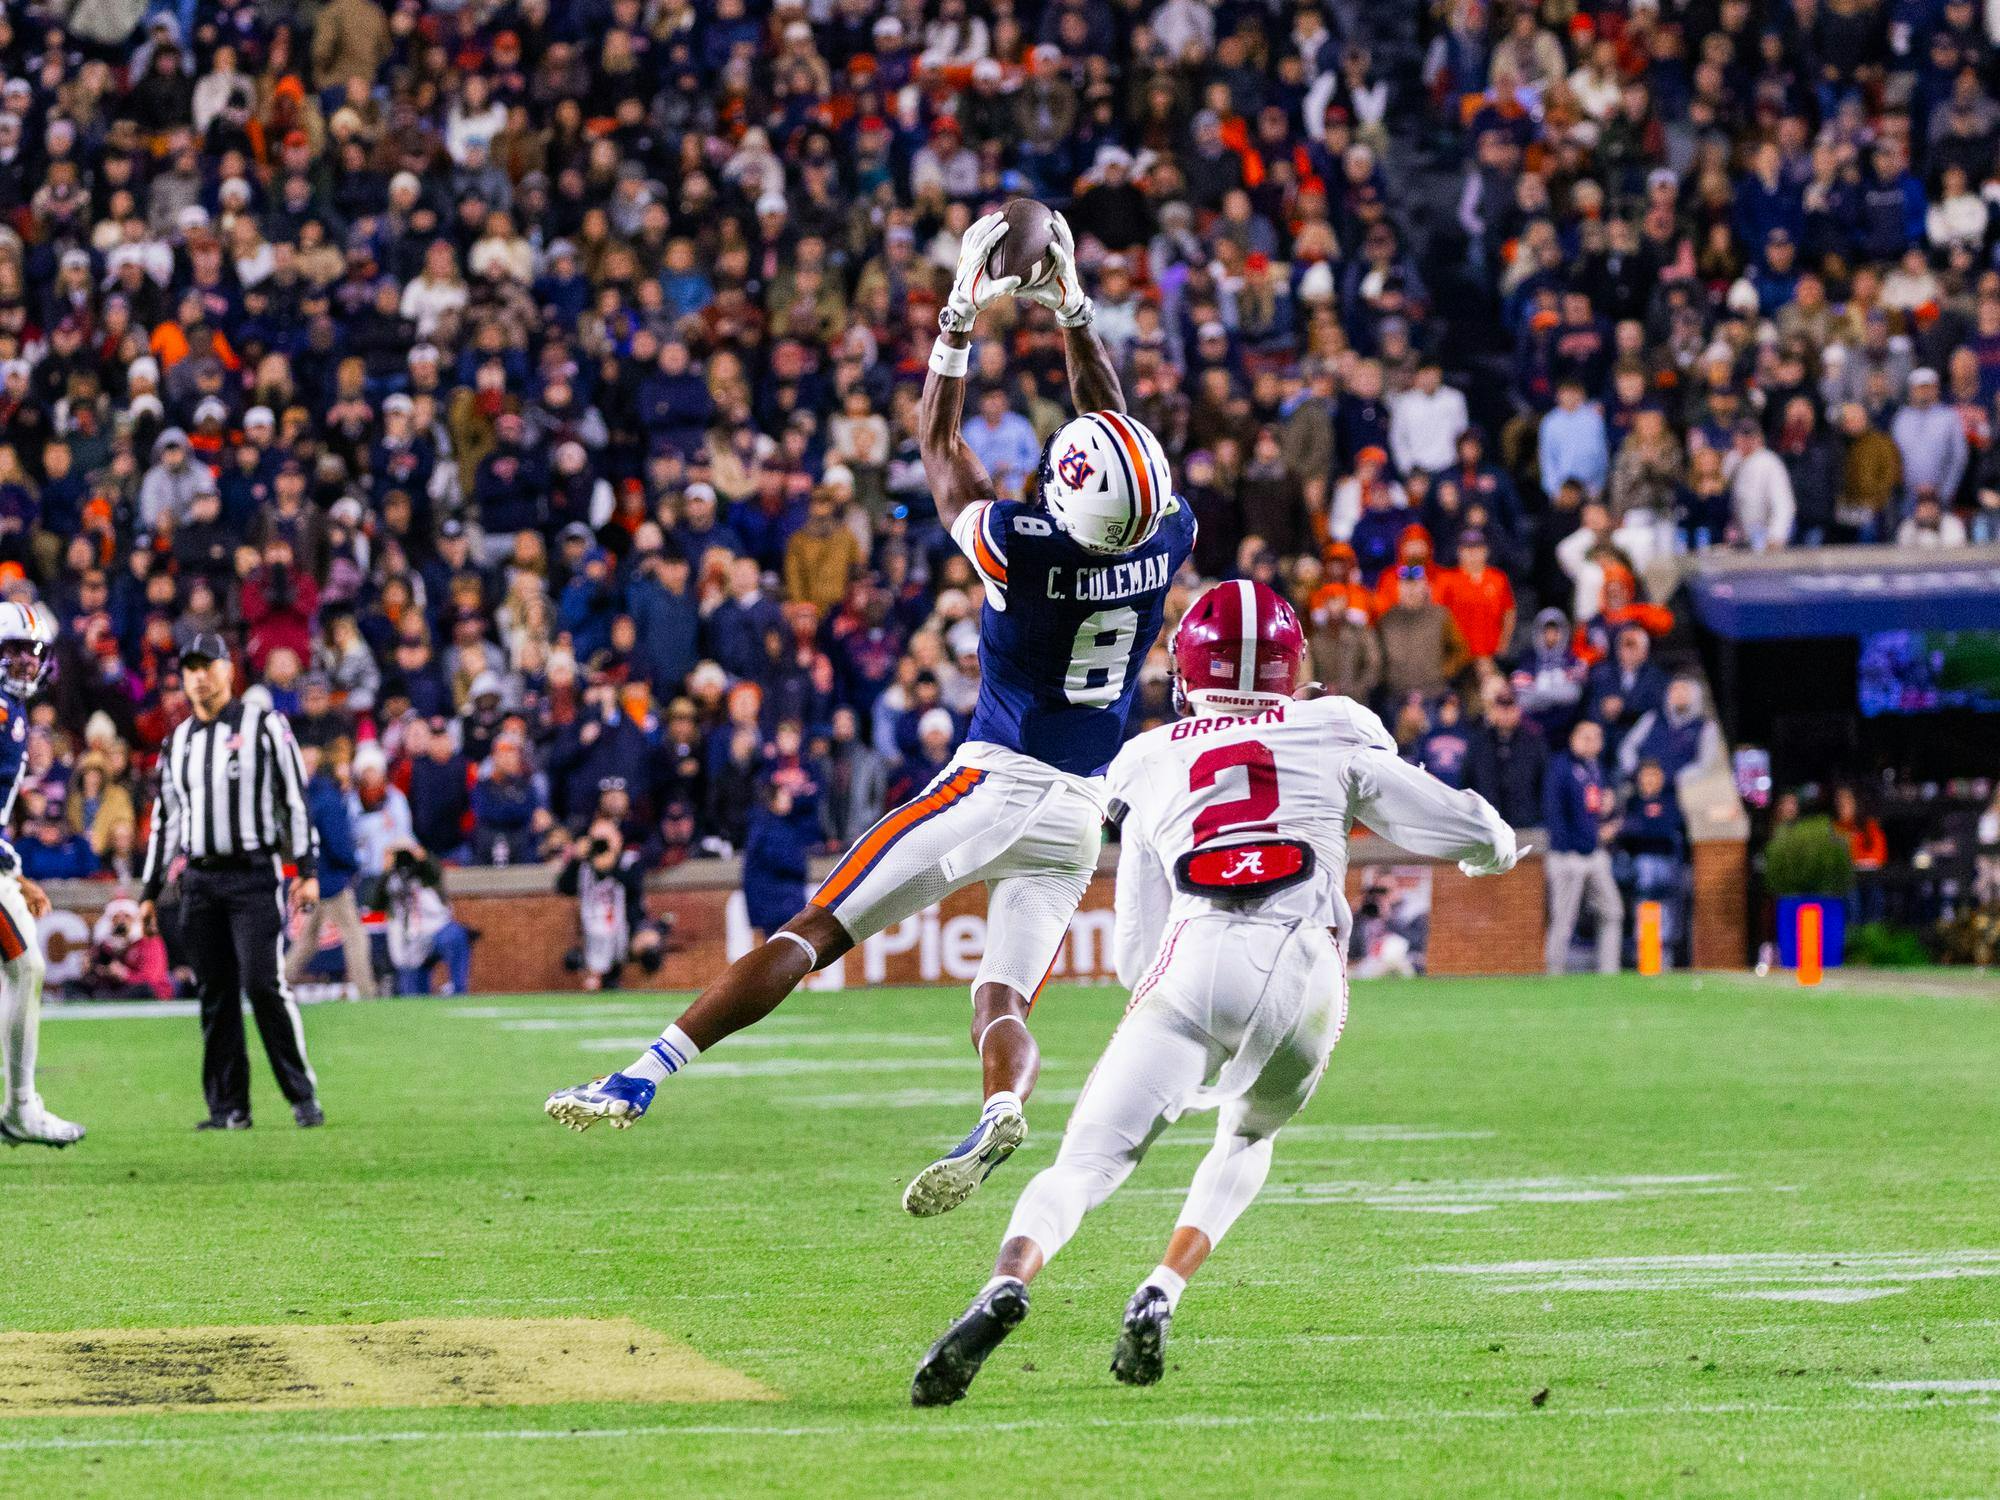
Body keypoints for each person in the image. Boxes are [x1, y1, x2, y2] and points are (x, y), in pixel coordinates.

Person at [547, 211, 1198, 1220]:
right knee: (1000, 998)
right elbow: (1113, 428)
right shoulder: (1165, 534)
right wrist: (1072, 310)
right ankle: (997, 1109)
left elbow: (938, 438)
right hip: (1081, 814)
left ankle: (642, 1073)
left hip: (994, 783)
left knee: (813, 931)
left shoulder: (1022, 545)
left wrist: (957, 313)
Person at [910, 581, 1520, 1404]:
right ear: (1291, 663)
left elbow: (1133, 952)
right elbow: (1461, 826)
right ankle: (1163, 1285)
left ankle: (1006, 1283)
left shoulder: (1151, 756)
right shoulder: (1336, 723)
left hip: (1196, 957)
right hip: (1307, 973)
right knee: (1246, 1138)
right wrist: (1494, 849)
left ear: (1188, 673)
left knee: (1086, 1162)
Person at [140, 632, 323, 1131]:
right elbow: (166, 822)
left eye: (208, 666)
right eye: (190, 668)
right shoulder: (176, 742)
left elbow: (295, 801)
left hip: (252, 875)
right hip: (199, 880)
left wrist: (306, 871)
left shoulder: (265, 725)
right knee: (215, 993)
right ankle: (229, 1108)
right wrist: (149, 893)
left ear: (228, 670)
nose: (199, 676)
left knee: (263, 984)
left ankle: (301, 1095)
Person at [0, 604, 81, 1146]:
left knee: (24, 968)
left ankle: (21, 1106)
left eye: (33, 653)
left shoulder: (13, 711)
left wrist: (15, 870)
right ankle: (22, 1106)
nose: (26, 663)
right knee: (25, 966)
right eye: (13, 650)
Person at [285, 743, 375, 999]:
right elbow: (338, 843)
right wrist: (352, 864)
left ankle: (277, 984)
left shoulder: (313, 796)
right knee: (355, 936)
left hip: (314, 874)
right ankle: (367, 991)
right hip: (331, 879)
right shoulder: (329, 799)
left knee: (307, 943)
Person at [1542, 718, 1622, 975]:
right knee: (1564, 919)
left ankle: (1608, 971)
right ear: (1573, 739)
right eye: (1585, 737)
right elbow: (1554, 813)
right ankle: (1554, 973)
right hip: (1568, 855)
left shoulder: (1596, 768)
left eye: (1596, 738)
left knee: (1612, 912)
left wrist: (1608, 816)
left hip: (1593, 853)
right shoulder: (1561, 767)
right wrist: (1569, 848)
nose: (1591, 743)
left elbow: (1593, 809)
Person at [367, 843, 473, 996]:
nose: (403, 860)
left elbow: (436, 873)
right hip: (408, 940)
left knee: (455, 935)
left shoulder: (425, 873)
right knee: (413, 995)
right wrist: (386, 871)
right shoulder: (389, 880)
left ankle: (459, 991)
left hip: (436, 930)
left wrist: (421, 857)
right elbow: (374, 906)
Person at [556, 818, 648, 991]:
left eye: (606, 839)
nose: (601, 844)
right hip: (592, 933)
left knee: (648, 946)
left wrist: (611, 867)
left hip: (627, 929)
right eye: (597, 839)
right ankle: (596, 977)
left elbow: (634, 886)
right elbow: (563, 887)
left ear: (618, 838)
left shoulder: (629, 860)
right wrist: (576, 859)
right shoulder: (584, 865)